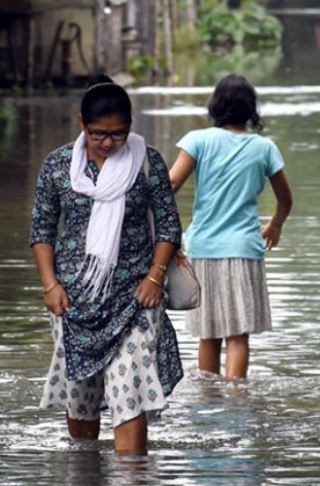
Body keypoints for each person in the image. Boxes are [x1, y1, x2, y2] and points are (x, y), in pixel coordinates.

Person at [30, 75, 184, 455]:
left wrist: (155, 277)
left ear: (130, 125)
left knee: (128, 387)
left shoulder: (147, 163)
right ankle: (84, 483)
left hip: (136, 296)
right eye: (99, 134)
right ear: (82, 124)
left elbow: (168, 226)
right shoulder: (58, 166)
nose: (109, 143)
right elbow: (42, 230)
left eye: (118, 133)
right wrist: (51, 285)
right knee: (81, 392)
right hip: (74, 300)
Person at [168, 74, 293, 380]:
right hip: (244, 249)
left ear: (215, 107)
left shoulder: (198, 141)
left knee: (208, 333)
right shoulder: (264, 148)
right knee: (238, 335)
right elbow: (286, 199)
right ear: (251, 110)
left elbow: (170, 184)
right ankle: (237, 400)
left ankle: (208, 399)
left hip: (203, 248)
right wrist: (275, 224)